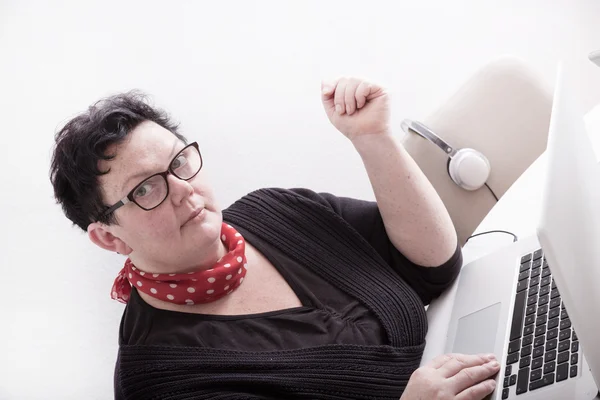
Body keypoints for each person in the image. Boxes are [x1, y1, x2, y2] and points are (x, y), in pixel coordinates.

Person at [50, 77, 500, 399]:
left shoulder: (279, 212)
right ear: (110, 239)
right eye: (145, 189)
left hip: (485, 363)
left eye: (180, 162)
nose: (183, 189)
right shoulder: (160, 378)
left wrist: (372, 137)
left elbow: (433, 266)